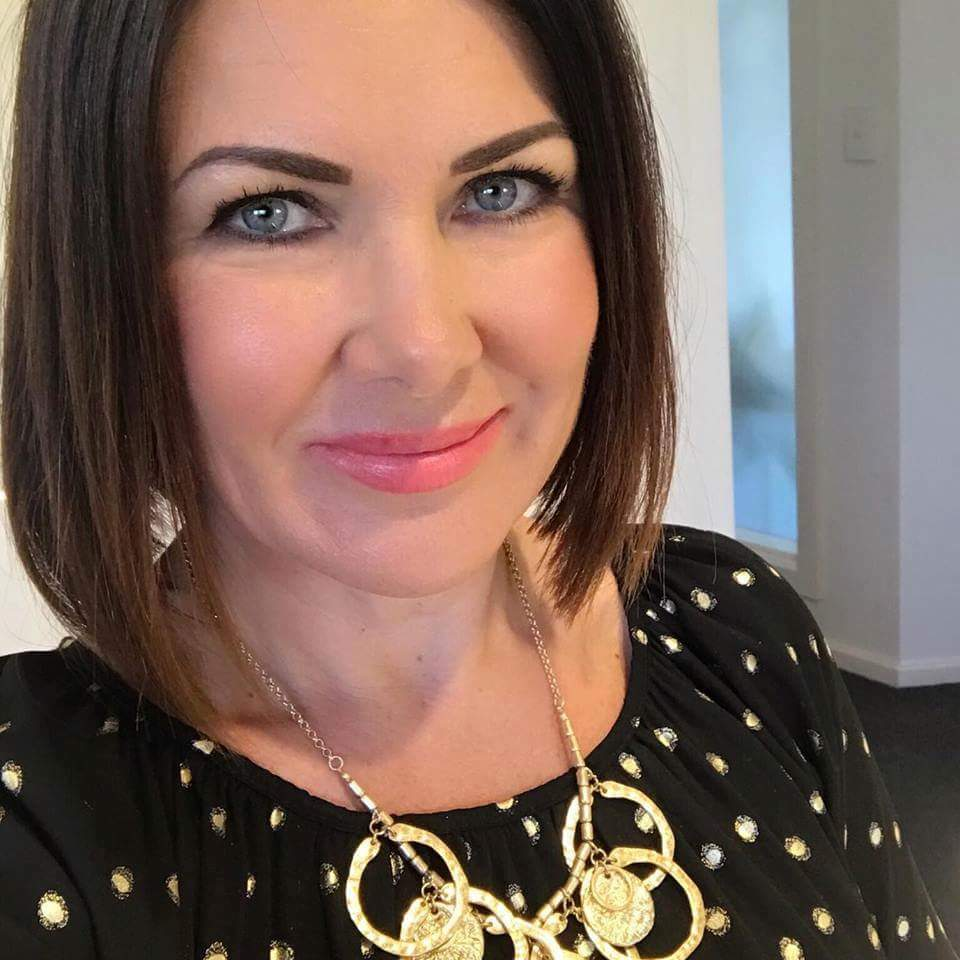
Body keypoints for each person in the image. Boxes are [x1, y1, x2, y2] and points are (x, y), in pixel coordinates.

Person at [0, 1, 955, 958]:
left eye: (501, 190)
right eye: (269, 213)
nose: (426, 350)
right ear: (103, 277)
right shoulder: (43, 823)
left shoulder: (737, 632)